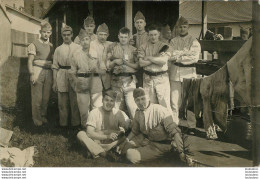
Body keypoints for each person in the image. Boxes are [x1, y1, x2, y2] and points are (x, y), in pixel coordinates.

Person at [119, 88, 191, 164]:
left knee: (130, 155)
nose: (140, 102)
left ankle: (165, 156)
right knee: (124, 148)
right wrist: (125, 142)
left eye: (143, 99)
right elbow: (134, 131)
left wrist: (181, 152)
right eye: (137, 100)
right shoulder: (138, 113)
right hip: (146, 140)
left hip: (160, 146)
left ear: (148, 98)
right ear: (135, 102)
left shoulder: (160, 110)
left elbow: (175, 132)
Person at [169, 16, 201, 132]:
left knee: (189, 101)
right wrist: (184, 53)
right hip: (175, 73)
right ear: (177, 28)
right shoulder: (173, 41)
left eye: (184, 27)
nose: (182, 29)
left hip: (189, 73)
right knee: (174, 100)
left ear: (188, 27)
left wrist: (178, 56)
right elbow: (170, 56)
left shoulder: (194, 41)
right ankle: (174, 124)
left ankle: (191, 125)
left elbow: (194, 58)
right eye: (180, 27)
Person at [138, 24, 175, 123]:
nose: (153, 37)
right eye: (150, 35)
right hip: (148, 78)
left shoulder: (165, 46)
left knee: (165, 104)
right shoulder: (143, 46)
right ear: (148, 35)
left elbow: (163, 61)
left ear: (158, 34)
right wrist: (156, 59)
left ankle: (172, 130)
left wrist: (149, 58)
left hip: (161, 78)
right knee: (150, 104)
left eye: (155, 34)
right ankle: (153, 129)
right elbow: (141, 63)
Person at [77, 90, 129, 159]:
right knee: (81, 134)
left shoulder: (119, 113)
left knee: (125, 139)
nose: (109, 103)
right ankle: (102, 152)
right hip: (97, 141)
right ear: (102, 100)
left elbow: (125, 129)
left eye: (111, 101)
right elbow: (89, 133)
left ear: (114, 103)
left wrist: (122, 130)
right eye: (106, 100)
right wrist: (107, 136)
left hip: (112, 143)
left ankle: (94, 151)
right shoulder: (94, 112)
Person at [70, 29, 105, 128]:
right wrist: (77, 81)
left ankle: (97, 129)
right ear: (79, 41)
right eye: (82, 40)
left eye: (86, 39)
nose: (85, 42)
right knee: (84, 110)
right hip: (82, 81)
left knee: (97, 107)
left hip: (95, 81)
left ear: (90, 39)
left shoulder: (97, 52)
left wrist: (96, 69)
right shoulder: (76, 54)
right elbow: (72, 72)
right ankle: (86, 130)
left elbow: (104, 70)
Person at [52, 25, 81, 127]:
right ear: (61, 36)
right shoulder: (58, 49)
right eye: (64, 35)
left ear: (72, 35)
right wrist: (54, 82)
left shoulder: (78, 48)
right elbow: (55, 66)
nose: (66, 37)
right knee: (62, 102)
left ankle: (75, 124)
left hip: (74, 74)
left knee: (75, 101)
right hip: (62, 74)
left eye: (68, 35)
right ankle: (63, 124)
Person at [107, 27, 139, 120]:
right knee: (117, 106)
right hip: (116, 80)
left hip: (129, 80)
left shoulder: (134, 50)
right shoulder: (113, 48)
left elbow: (137, 66)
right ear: (118, 36)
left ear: (129, 38)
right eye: (121, 37)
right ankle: (118, 128)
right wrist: (115, 62)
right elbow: (108, 66)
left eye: (125, 37)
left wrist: (126, 64)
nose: (123, 39)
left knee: (132, 105)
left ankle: (135, 128)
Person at [27, 21, 54, 126]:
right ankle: (36, 118)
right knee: (37, 97)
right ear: (40, 32)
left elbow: (52, 61)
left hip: (49, 72)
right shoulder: (34, 44)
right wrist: (31, 74)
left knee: (46, 97)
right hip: (37, 71)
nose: (46, 34)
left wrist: (48, 63)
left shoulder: (51, 46)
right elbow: (30, 61)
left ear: (50, 33)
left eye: (48, 32)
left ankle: (43, 115)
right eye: (44, 32)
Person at [89, 23, 113, 90]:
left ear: (108, 35)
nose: (103, 37)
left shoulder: (110, 44)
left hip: (107, 78)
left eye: (105, 35)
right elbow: (93, 61)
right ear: (96, 34)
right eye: (101, 34)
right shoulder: (92, 44)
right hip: (96, 76)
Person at [130, 11, 149, 88]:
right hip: (135, 66)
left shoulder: (149, 36)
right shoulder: (132, 37)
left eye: (141, 22)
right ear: (134, 24)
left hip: (146, 65)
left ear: (145, 23)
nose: (139, 24)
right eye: (137, 22)